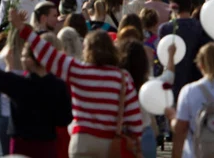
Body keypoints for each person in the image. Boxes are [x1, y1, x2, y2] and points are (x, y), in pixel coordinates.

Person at [9, 8, 143, 157]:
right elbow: (134, 118)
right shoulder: (122, 77)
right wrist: (135, 140)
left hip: (82, 141)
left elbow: (48, 54)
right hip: (109, 142)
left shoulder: (79, 70)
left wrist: (23, 28)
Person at [0, 33, 73, 157]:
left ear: (30, 60)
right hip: (47, 144)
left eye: (23, 55)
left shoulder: (21, 83)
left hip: (21, 145)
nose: (21, 59)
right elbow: (64, 119)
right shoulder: (59, 85)